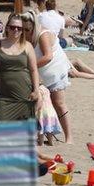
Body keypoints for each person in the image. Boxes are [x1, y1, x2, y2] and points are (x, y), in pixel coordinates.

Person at [22, 11, 72, 144]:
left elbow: (48, 56)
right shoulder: (22, 35)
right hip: (38, 71)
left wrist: (29, 66)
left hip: (55, 68)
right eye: (23, 29)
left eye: (27, 29)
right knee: (36, 102)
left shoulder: (43, 34)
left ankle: (69, 137)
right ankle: (36, 134)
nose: (25, 32)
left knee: (58, 103)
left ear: (34, 26)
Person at [0, 14, 40, 122]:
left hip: (24, 96)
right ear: (7, 28)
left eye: (19, 28)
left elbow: (34, 70)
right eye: (13, 27)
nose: (16, 30)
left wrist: (36, 90)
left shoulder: (27, 46)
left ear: (23, 30)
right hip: (3, 97)